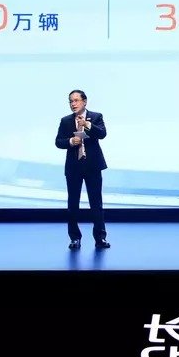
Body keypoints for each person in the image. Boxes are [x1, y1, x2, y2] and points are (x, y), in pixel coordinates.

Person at [55, 90, 110, 250]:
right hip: (74, 167)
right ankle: (75, 238)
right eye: (71, 101)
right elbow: (58, 141)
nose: (73, 104)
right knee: (73, 204)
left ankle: (100, 238)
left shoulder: (96, 116)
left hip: (93, 166)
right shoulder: (66, 121)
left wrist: (87, 125)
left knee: (96, 203)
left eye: (76, 100)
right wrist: (70, 141)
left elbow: (102, 134)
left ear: (84, 102)